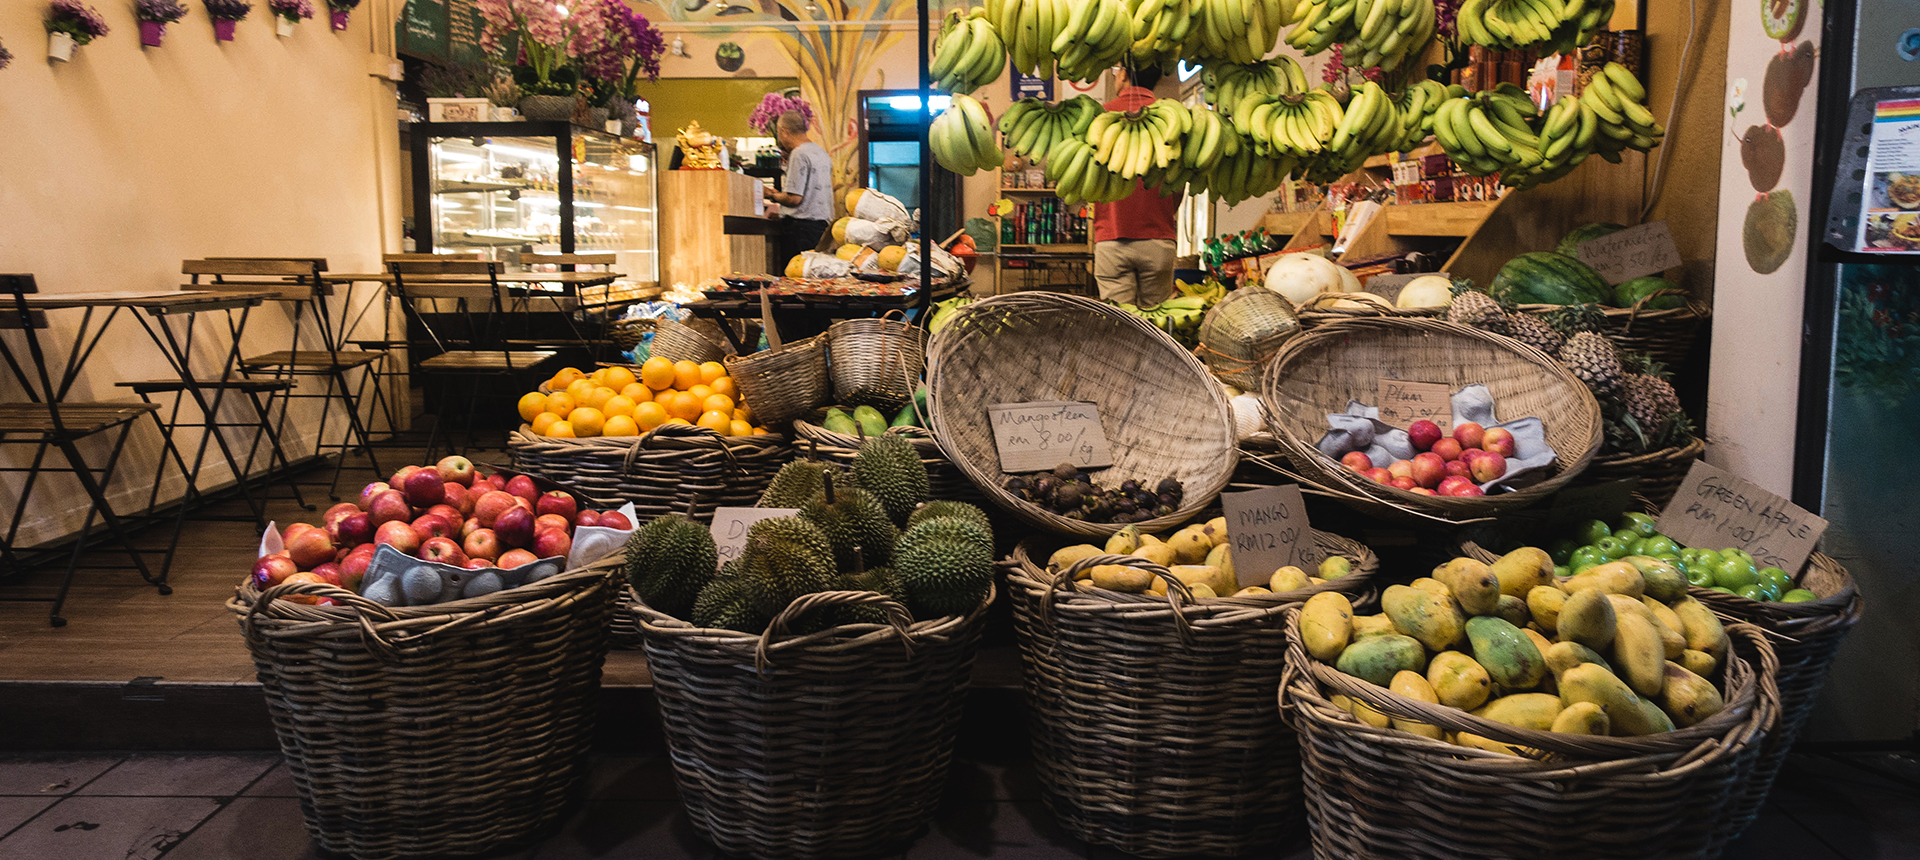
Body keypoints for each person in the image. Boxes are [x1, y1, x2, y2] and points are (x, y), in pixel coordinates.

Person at [1092, 64, 1184, 306]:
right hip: (1158, 238)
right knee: (1155, 322)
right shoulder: (1171, 120)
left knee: (1120, 323)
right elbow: (1179, 183)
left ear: (1123, 74)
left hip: (1111, 238)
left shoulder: (1101, 117)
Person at [763, 110, 834, 270]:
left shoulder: (799, 154)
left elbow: (794, 198)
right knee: (813, 274)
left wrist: (771, 194)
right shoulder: (821, 153)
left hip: (801, 230)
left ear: (784, 131)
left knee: (796, 276)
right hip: (821, 226)